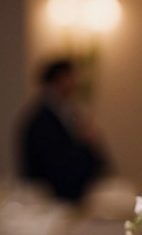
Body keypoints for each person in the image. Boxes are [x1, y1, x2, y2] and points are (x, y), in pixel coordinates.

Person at [17, 59, 111, 202]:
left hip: (62, 195)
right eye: (71, 77)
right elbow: (57, 165)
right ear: (60, 79)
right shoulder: (42, 120)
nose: (75, 83)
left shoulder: (64, 113)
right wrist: (86, 144)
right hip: (52, 200)